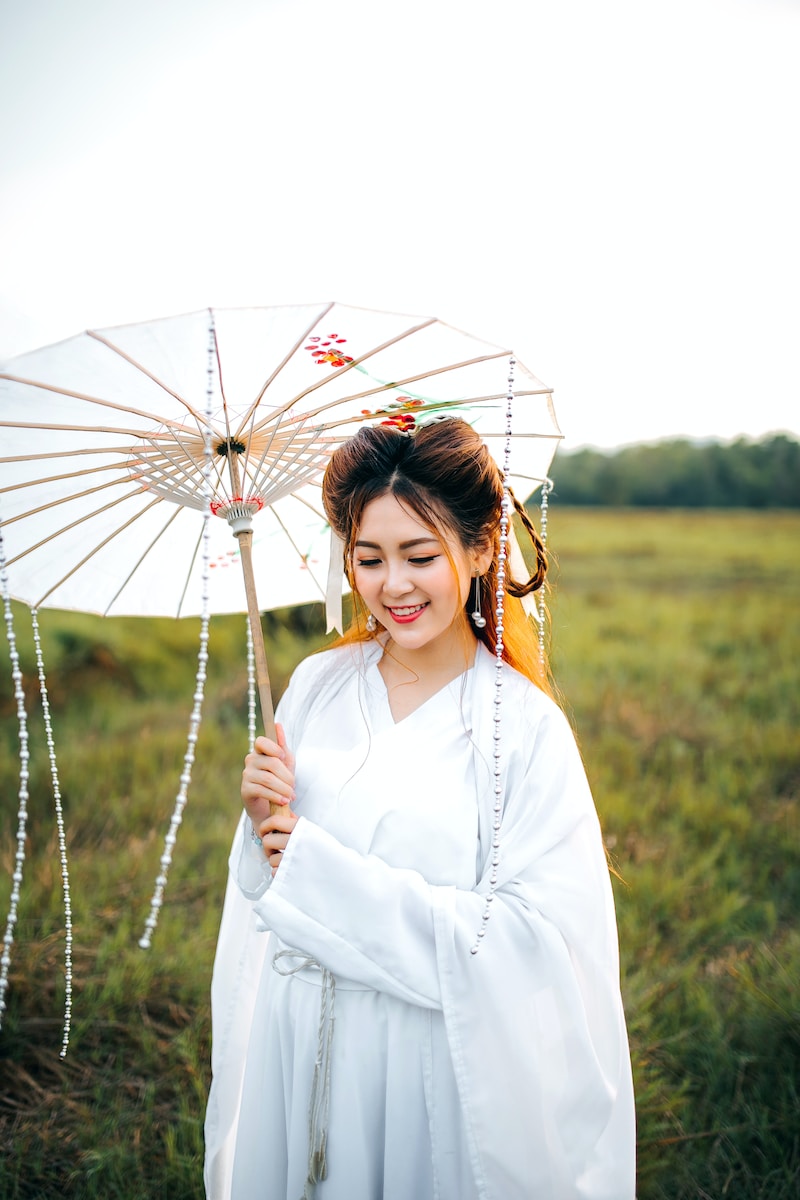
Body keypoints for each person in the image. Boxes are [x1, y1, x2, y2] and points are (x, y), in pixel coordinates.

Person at [204, 417, 636, 1200]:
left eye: (420, 555)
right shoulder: (313, 686)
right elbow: (266, 886)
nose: (393, 585)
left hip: (419, 1063)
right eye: (368, 558)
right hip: (297, 1039)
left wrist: (321, 874)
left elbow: (535, 942)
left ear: (477, 551)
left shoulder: (522, 727)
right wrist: (260, 820)